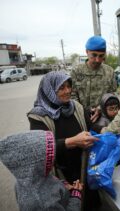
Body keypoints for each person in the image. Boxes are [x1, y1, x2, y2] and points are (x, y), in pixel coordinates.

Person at [27, 71, 100, 211]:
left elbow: (91, 126)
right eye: (61, 88)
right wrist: (72, 141)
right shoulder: (38, 116)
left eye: (68, 86)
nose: (67, 91)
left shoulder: (76, 107)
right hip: (61, 175)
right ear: (49, 90)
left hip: (84, 168)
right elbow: (39, 148)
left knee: (91, 204)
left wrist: (105, 129)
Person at [0, 130, 82, 211]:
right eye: (50, 156)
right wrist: (76, 195)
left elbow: (48, 183)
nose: (53, 158)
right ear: (34, 164)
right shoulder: (41, 203)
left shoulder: (28, 178)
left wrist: (62, 185)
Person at [71, 35, 117, 123]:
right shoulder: (76, 71)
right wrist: (84, 112)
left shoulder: (109, 71)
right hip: (81, 118)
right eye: (94, 55)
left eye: (101, 56)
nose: (97, 60)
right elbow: (72, 96)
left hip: (104, 118)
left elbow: (112, 95)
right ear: (87, 52)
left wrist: (101, 108)